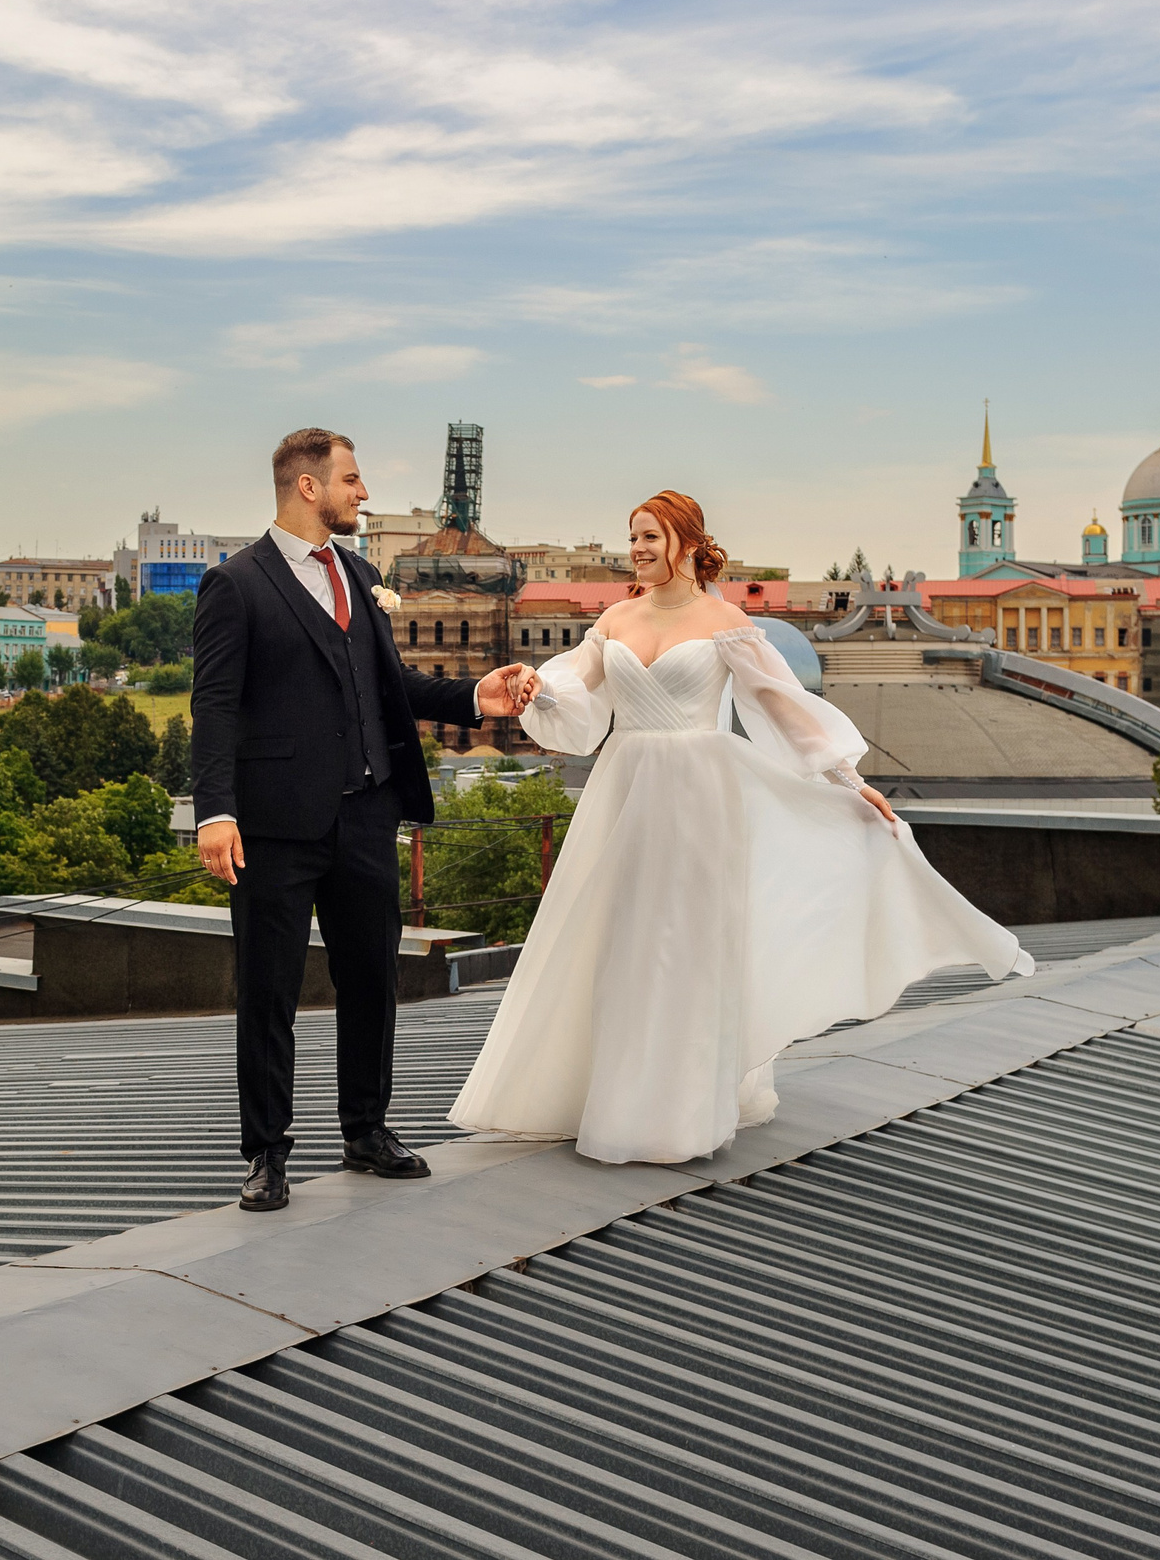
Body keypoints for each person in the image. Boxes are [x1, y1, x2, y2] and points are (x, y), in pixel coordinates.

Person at [449, 491, 1034, 1165]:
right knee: (621, 943)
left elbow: (785, 710)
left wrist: (850, 781)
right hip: (624, 793)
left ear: (690, 542)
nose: (636, 549)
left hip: (701, 800)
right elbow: (577, 697)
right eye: (632, 537)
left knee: (685, 949)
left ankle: (676, 1116)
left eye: (649, 536)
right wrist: (540, 688)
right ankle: (608, 1099)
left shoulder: (727, 622)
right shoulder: (614, 618)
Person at [192, 430, 537, 1211]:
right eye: (352, 479)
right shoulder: (234, 583)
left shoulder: (362, 575)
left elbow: (391, 683)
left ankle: (366, 1130)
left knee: (374, 979)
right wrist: (215, 810)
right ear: (308, 487)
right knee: (269, 991)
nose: (364, 492)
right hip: (275, 823)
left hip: (368, 814)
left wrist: (475, 696)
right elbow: (213, 705)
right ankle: (266, 1153)